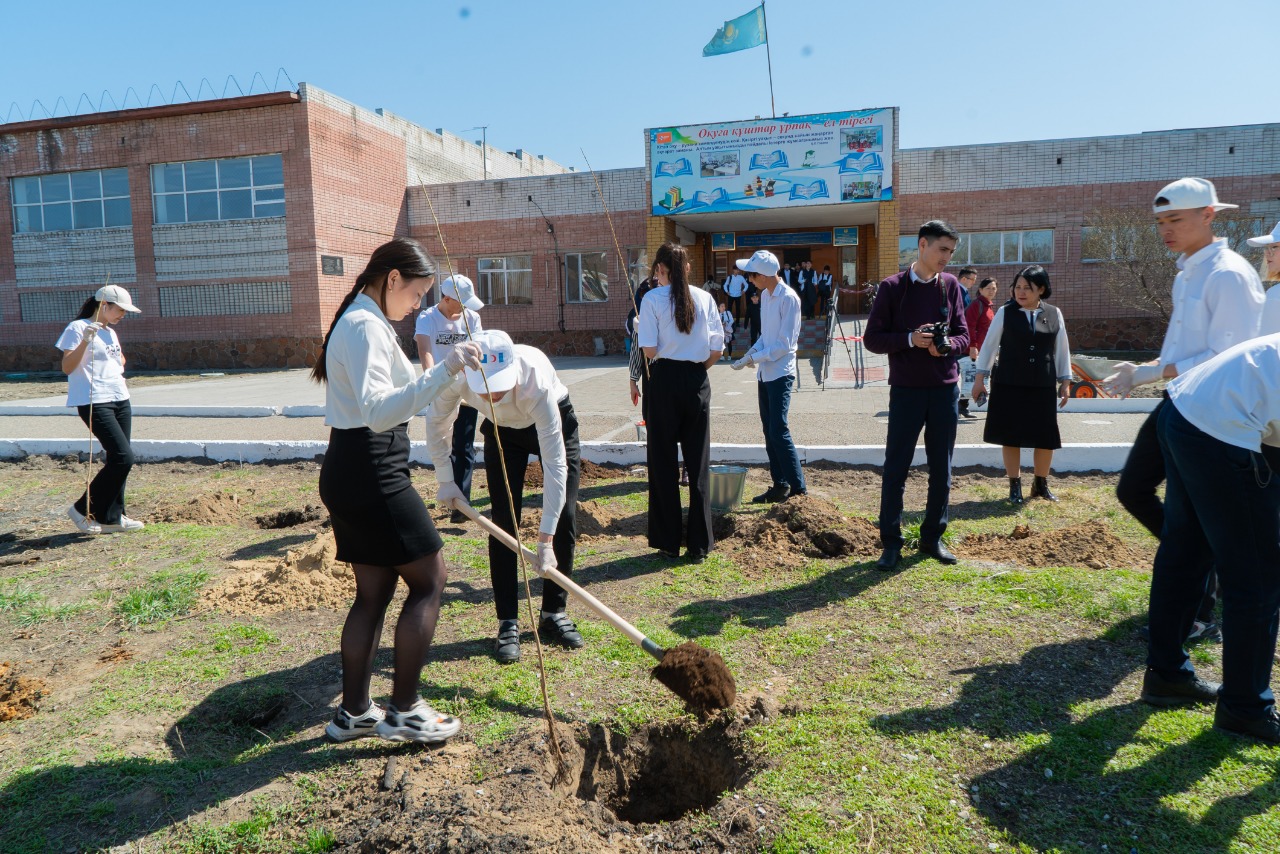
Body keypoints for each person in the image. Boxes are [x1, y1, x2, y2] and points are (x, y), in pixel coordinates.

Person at [312, 237, 480, 744]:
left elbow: (409, 391)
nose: (417, 308)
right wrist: (448, 368)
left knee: (376, 591)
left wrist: (452, 379)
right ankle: (404, 711)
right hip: (371, 470)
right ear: (391, 279)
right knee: (430, 578)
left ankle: (355, 713)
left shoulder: (367, 321)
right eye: (416, 295)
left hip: (353, 467)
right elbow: (381, 410)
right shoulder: (364, 326)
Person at [1103, 178, 1264, 645]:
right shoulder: (1187, 271)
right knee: (1134, 489)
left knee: (1187, 523)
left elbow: (1225, 357)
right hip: (1181, 402)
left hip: (1210, 414)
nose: (1165, 230)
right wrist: (1141, 370)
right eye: (1160, 222)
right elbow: (1184, 346)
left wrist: (1152, 374)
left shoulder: (1229, 274)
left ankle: (1197, 608)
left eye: (1175, 219)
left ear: (1209, 215)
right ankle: (1198, 581)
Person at [1140, 333, 1280, 743]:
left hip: (1184, 411)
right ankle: (1245, 707)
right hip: (1222, 425)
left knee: (1186, 550)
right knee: (1257, 577)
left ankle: (1166, 675)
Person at [427, 330, 586, 664]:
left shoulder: (535, 382)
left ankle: (553, 612)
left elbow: (555, 466)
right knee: (504, 521)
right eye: (487, 388)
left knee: (565, 516)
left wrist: (545, 539)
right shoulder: (459, 377)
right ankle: (507, 622)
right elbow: (437, 421)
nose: (495, 394)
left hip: (553, 419)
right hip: (502, 433)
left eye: (501, 385)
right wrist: (446, 479)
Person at [863, 220, 970, 571]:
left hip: (944, 391)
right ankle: (890, 543)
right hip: (907, 390)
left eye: (951, 252)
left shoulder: (951, 286)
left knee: (943, 468)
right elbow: (873, 339)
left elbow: (964, 338)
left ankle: (932, 537)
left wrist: (946, 346)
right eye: (942, 250)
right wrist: (911, 339)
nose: (947, 258)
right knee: (896, 466)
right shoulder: (892, 287)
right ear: (922, 245)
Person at [638, 242, 724, 561]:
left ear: (661, 269)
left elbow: (648, 350)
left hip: (663, 380)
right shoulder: (705, 298)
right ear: (687, 268)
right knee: (697, 463)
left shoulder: (652, 299)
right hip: (697, 380)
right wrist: (696, 370)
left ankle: (668, 541)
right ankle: (700, 546)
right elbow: (717, 348)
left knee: (662, 462)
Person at [971, 267, 1072, 503]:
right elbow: (988, 347)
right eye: (1018, 286)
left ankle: (1040, 484)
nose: (1021, 291)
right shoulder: (1005, 313)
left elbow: (1062, 349)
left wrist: (1065, 381)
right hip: (1009, 382)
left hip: (1042, 384)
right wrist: (980, 380)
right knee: (1011, 435)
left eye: (1028, 287)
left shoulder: (1054, 313)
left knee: (1046, 436)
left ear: (1042, 289)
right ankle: (1014, 485)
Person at [57, 284, 144, 535]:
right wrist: (86, 341)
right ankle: (81, 510)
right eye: (120, 310)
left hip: (120, 398)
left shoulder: (110, 332)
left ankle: (114, 517)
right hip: (94, 401)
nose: (123, 315)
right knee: (123, 457)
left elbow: (119, 362)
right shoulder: (77, 328)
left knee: (121, 460)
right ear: (104, 305)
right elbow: (67, 367)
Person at [730, 250, 806, 502]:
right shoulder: (765, 295)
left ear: (762, 275)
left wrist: (755, 358)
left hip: (781, 373)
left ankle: (799, 490)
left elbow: (784, 344)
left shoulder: (789, 299)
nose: (749, 280)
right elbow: (766, 336)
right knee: (768, 430)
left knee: (778, 430)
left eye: (751, 275)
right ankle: (779, 485)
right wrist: (750, 353)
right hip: (765, 374)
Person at [414, 274, 484, 525]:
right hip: (441, 388)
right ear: (446, 298)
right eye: (461, 303)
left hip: (466, 389)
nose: (465, 308)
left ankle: (461, 505)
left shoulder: (471, 318)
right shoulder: (427, 318)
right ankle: (448, 487)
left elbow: (479, 348)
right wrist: (432, 380)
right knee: (442, 440)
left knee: (464, 446)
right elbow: (425, 352)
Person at [960, 277, 998, 420]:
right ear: (980, 290)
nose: (991, 291)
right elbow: (969, 326)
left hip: (986, 349)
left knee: (976, 377)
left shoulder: (989, 306)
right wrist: (973, 346)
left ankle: (962, 405)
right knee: (973, 376)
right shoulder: (977, 305)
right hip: (975, 349)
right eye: (988, 288)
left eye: (994, 288)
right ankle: (962, 405)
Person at [1248, 220, 1280, 334]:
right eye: (1266, 247)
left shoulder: (1275, 296)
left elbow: (1265, 349)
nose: (1267, 253)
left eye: (1274, 247)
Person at [746, 282, 763, 346]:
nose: (755, 299)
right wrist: (745, 324)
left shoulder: (762, 305)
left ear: (758, 298)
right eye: (753, 297)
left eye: (756, 297)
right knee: (753, 338)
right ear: (751, 299)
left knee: (762, 338)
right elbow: (747, 315)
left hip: (761, 324)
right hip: (753, 325)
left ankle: (763, 350)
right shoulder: (750, 306)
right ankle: (753, 352)